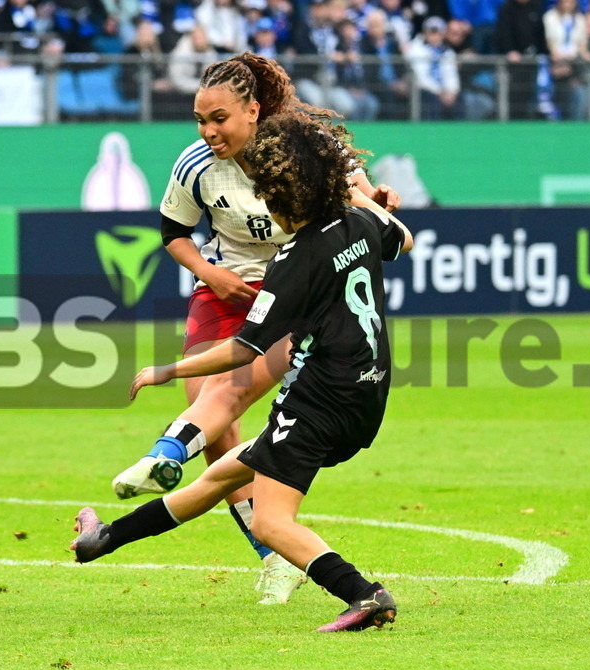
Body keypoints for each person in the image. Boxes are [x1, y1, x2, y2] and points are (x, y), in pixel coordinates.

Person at [71, 111, 414, 632]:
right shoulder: (359, 221)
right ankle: (104, 540)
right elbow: (403, 238)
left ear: (286, 197)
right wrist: (365, 199)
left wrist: (168, 370)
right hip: (367, 398)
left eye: (271, 197)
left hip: (317, 403)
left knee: (273, 523)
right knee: (218, 477)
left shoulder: (296, 258)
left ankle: (365, 595)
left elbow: (242, 350)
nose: (268, 207)